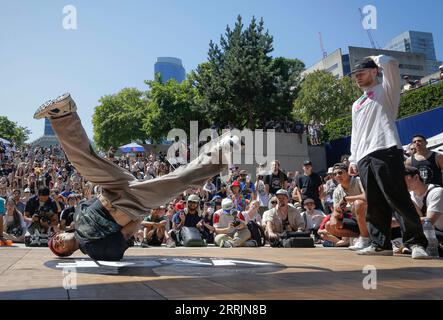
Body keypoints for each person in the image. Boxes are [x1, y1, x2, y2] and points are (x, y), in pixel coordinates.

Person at [34, 93, 241, 260]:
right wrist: (144, 208)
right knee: (179, 181)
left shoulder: (76, 220)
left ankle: (63, 113)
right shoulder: (93, 249)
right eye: (58, 248)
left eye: (56, 240)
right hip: (130, 203)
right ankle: (221, 152)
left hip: (111, 188)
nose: (58, 242)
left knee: (83, 162)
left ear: (59, 233)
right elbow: (126, 233)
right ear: (68, 253)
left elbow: (91, 200)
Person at [348, 56, 428, 258]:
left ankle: (416, 243)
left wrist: (373, 58)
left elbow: (391, 64)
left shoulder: (386, 90)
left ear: (375, 71)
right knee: (374, 203)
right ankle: (380, 244)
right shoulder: (356, 103)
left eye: (362, 72)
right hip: (364, 156)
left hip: (386, 149)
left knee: (397, 197)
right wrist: (353, 159)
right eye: (355, 75)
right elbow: (355, 133)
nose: (358, 77)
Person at [327, 163, 368, 249]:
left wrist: (346, 199)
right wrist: (333, 217)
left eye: (340, 172)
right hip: (356, 220)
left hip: (370, 217)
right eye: (335, 174)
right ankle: (362, 237)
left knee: (358, 203)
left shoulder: (358, 180)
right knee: (329, 226)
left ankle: (365, 239)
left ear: (348, 172)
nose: (337, 176)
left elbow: (367, 196)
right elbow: (336, 211)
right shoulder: (337, 190)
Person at [404, 166, 443, 257]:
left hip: (439, 232)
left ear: (416, 177)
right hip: (429, 233)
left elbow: (429, 221)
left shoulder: (437, 192)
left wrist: (400, 222)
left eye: (404, 179)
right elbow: (419, 216)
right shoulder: (410, 194)